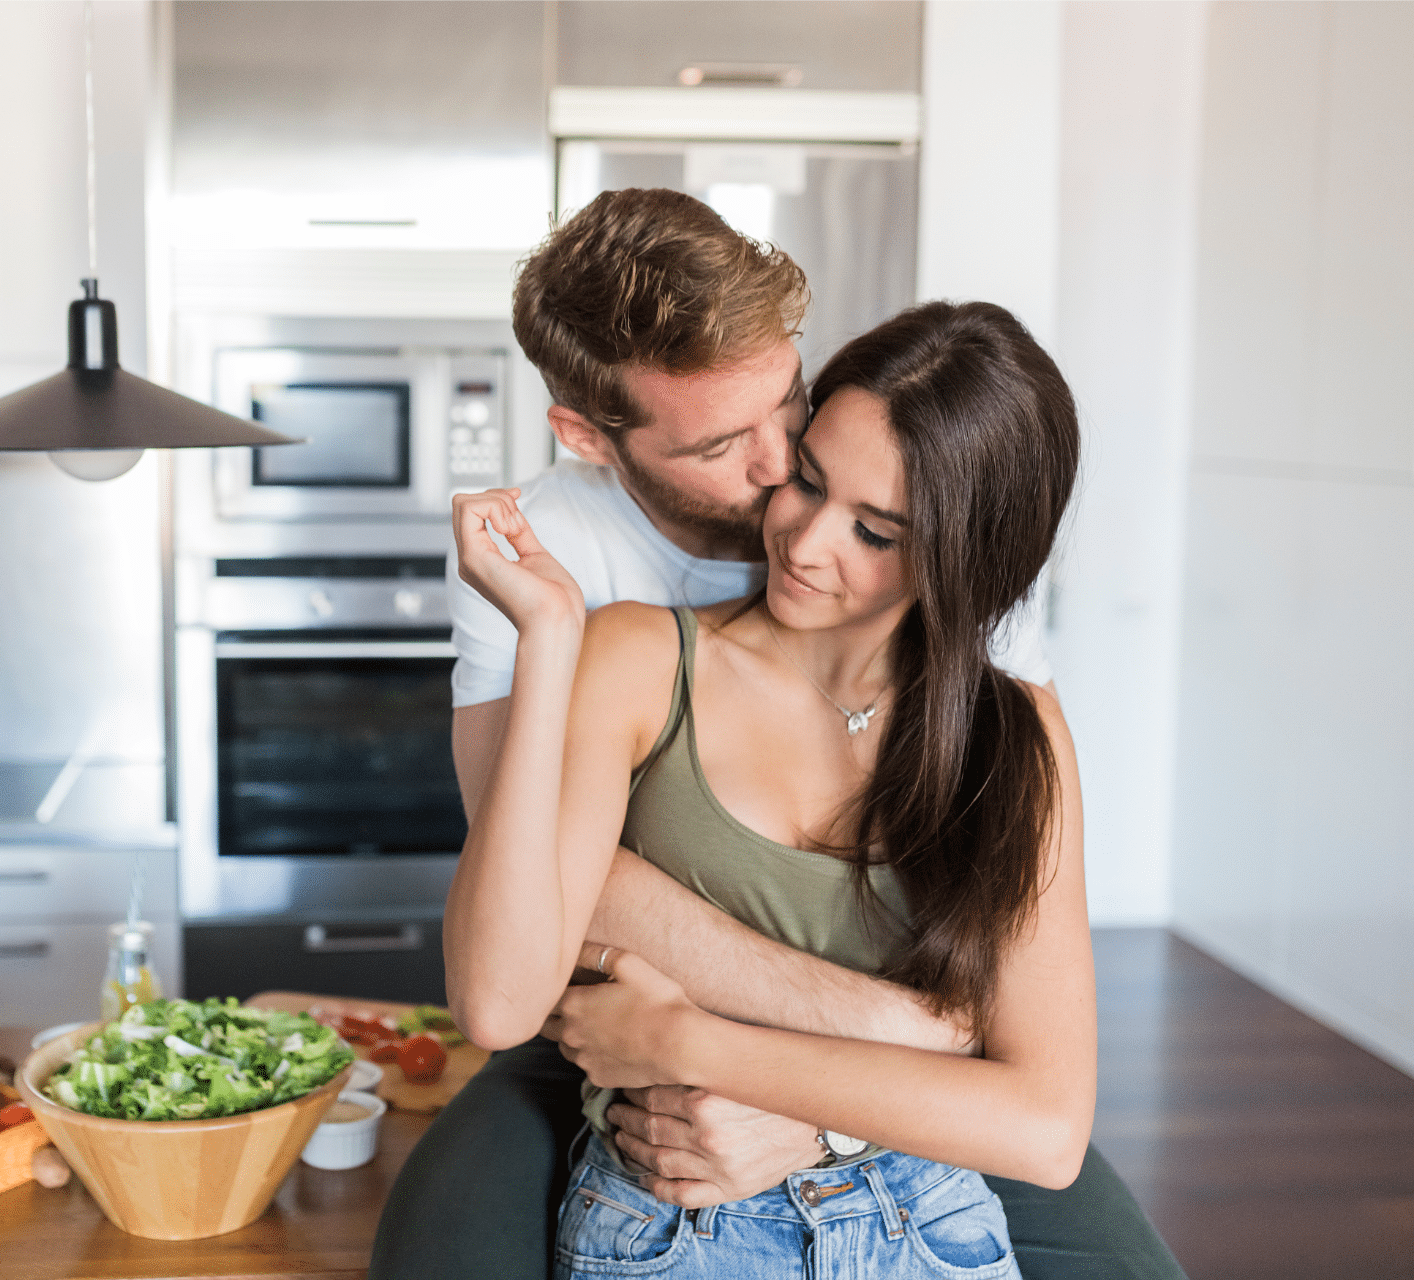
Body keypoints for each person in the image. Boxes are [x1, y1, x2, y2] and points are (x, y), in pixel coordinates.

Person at [366, 190, 1186, 1280]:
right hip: (612, 1057)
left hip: (904, 1151)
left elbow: (1036, 1095)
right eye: (743, 451)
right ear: (588, 434)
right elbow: (542, 918)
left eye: (789, 409)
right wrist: (882, 1027)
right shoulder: (559, 569)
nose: (781, 502)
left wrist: (780, 1086)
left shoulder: (973, 612)